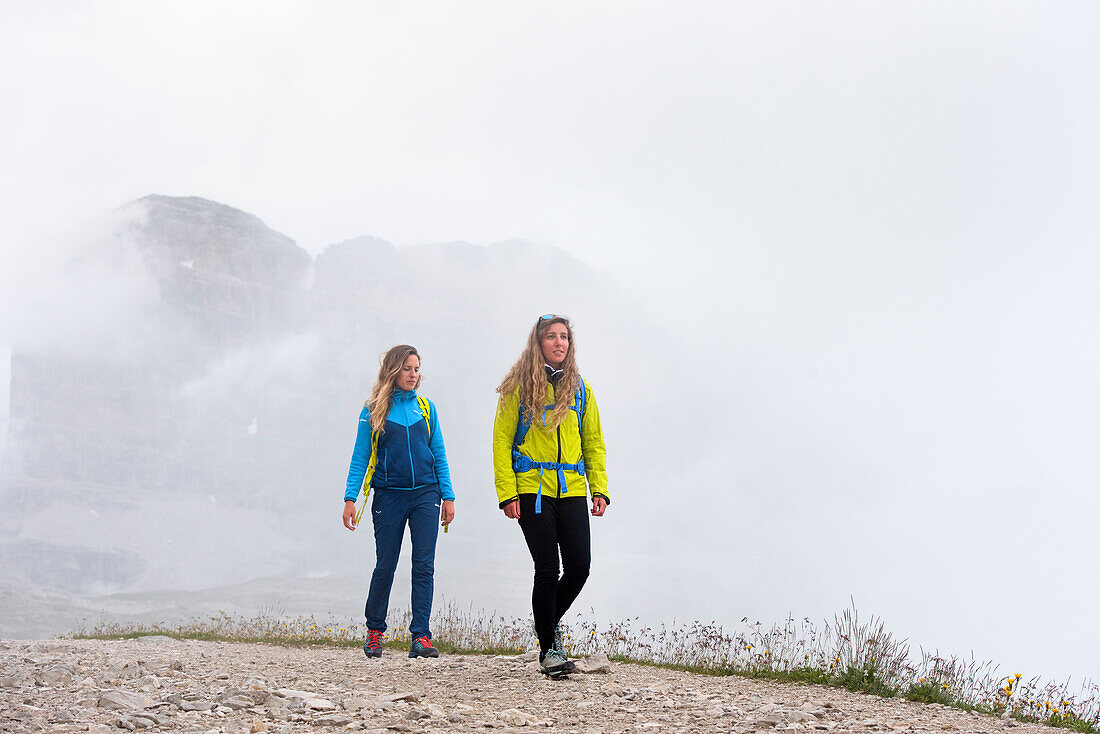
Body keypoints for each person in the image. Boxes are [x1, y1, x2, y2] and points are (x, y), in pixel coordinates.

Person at [492, 315, 608, 677]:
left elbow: (593, 442)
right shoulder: (518, 387)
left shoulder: (581, 390)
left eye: (564, 337)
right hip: (531, 490)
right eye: (551, 337)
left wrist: (599, 487)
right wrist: (507, 492)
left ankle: (546, 626)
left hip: (572, 489)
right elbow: (501, 442)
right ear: (537, 342)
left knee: (580, 567)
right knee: (547, 568)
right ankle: (549, 652)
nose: (559, 343)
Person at [343, 344, 455, 659]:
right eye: (407, 368)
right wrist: (350, 498)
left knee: (423, 566)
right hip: (388, 495)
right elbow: (360, 457)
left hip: (426, 494)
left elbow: (439, 454)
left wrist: (448, 495)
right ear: (394, 370)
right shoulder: (373, 409)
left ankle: (421, 637)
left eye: (416, 368)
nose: (413, 374)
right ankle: (375, 632)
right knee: (386, 564)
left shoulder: (426, 407)